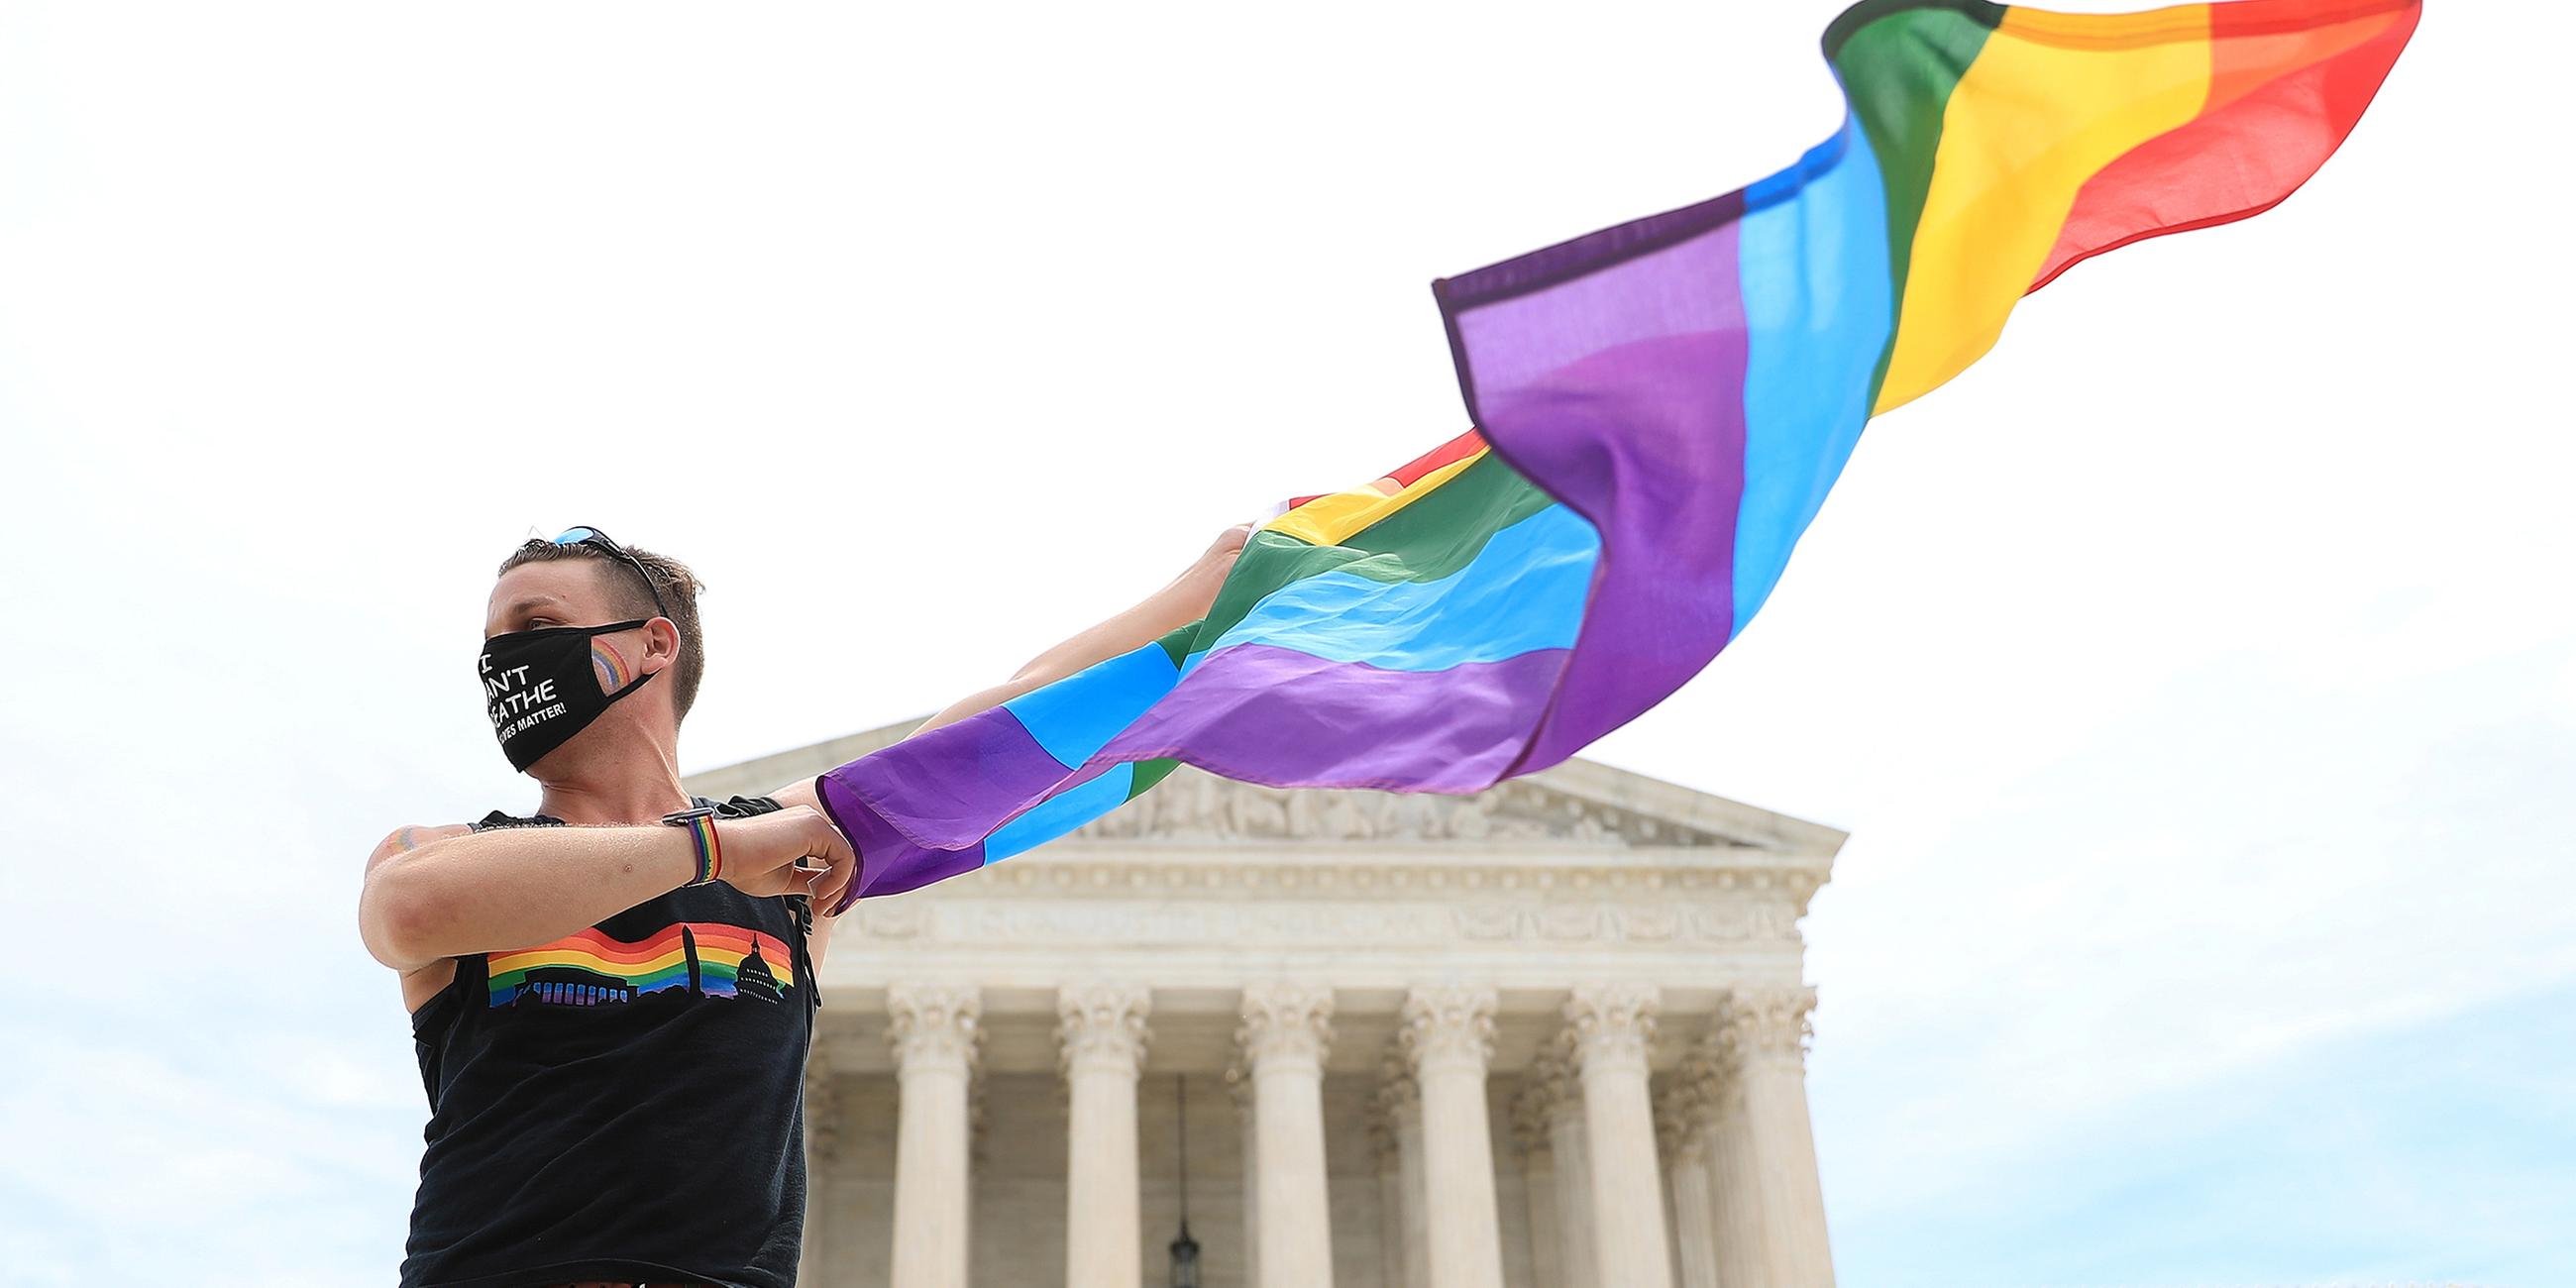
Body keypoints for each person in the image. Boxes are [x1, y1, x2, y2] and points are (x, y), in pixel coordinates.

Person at [360, 521, 1247, 1288]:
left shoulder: (792, 874)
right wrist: (716, 847)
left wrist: (1199, 589)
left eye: (536, 626)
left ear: (653, 646)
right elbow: (402, 910)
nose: (502, 660)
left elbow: (1012, 711)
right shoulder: (443, 856)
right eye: (493, 640)